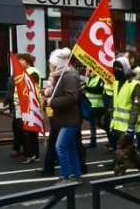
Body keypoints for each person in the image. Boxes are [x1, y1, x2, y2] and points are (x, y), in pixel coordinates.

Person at [44, 48, 82, 184]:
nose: (50, 66)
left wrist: (51, 101)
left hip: (69, 119)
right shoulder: (60, 75)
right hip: (65, 119)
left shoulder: (69, 75)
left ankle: (66, 177)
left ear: (58, 63)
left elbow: (72, 97)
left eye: (51, 63)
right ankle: (75, 175)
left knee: (60, 147)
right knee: (70, 148)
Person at [108, 56, 140, 175]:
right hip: (117, 124)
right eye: (114, 68)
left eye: (119, 68)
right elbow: (115, 104)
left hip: (128, 126)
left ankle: (118, 175)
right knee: (129, 151)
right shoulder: (116, 83)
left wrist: (131, 126)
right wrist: (111, 120)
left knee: (120, 153)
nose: (116, 70)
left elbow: (136, 107)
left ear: (125, 69)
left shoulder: (135, 85)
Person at [83, 68, 107, 148]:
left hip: (98, 105)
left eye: (90, 71)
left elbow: (99, 90)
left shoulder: (100, 78)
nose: (89, 72)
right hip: (90, 105)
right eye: (88, 71)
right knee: (92, 123)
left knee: (97, 123)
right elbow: (85, 86)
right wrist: (86, 77)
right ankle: (93, 141)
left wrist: (87, 88)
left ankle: (111, 134)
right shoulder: (88, 78)